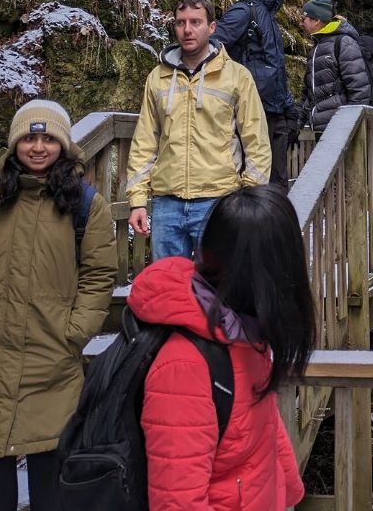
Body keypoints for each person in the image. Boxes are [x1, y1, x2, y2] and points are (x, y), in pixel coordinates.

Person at [0, 99, 117, 511]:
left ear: (63, 145)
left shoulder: (85, 204)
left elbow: (98, 276)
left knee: (48, 455)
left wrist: (74, 332)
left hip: (51, 349)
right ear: (14, 143)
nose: (38, 148)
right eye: (29, 138)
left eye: (48, 139)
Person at [128, 185, 316, 511]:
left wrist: (290, 489)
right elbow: (178, 502)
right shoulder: (184, 368)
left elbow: (262, 423)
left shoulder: (244, 329)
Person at [126, 0, 271, 260]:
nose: (187, 29)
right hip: (167, 202)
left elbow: (256, 141)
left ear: (211, 27)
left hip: (219, 200)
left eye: (196, 22)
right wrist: (137, 200)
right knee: (168, 282)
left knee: (218, 281)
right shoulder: (157, 78)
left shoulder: (237, 76)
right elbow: (145, 141)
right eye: (181, 22)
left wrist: (249, 197)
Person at [215, 0, 301, 187]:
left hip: (275, 113)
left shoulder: (267, 16)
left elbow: (275, 67)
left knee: (278, 186)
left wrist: (289, 109)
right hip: (252, 113)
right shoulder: (242, 13)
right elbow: (211, 48)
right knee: (255, 186)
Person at [299, 0, 372, 132]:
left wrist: (346, 127)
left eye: (304, 19)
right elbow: (309, 93)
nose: (300, 24)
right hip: (322, 128)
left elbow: (360, 90)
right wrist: (297, 125)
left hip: (339, 131)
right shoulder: (317, 47)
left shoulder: (344, 43)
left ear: (317, 20)